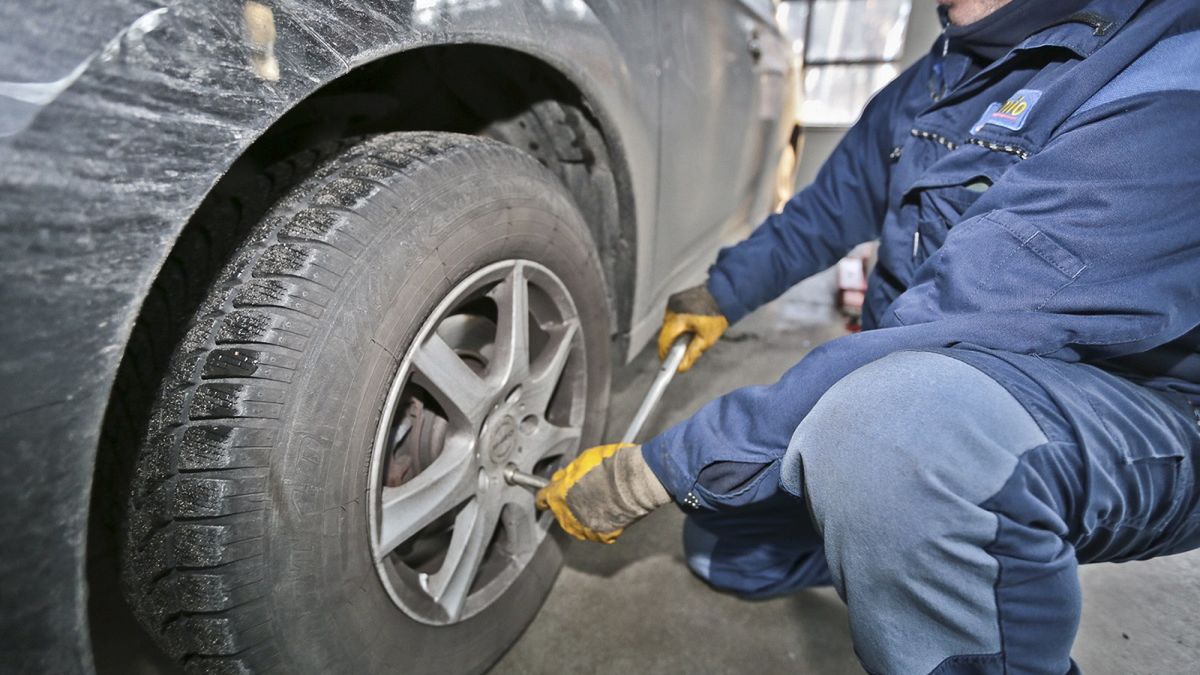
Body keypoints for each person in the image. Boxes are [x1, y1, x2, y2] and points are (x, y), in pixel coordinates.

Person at [535, 0, 1200, 672]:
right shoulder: (935, 81)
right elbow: (821, 215)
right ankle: (891, 537)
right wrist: (722, 293)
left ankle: (920, 519)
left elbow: (967, 316)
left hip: (1140, 411)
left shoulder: (1170, 72)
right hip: (933, 366)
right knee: (721, 548)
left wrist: (650, 471)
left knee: (891, 440)